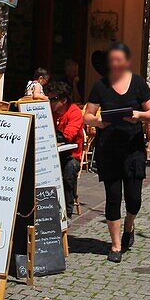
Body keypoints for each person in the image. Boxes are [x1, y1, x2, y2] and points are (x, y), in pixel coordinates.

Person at [84, 42, 150, 263]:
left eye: (119, 60)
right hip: (109, 149)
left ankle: (129, 225)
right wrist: (98, 121)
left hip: (133, 148)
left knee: (134, 198)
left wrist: (139, 115)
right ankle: (115, 245)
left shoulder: (138, 84)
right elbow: (87, 115)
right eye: (112, 60)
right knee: (113, 197)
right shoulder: (100, 86)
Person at [49, 81, 85, 217]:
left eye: (53, 99)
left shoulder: (74, 112)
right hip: (55, 153)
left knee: (69, 173)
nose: (50, 102)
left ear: (63, 100)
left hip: (72, 155)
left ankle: (67, 213)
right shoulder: (51, 112)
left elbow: (68, 136)